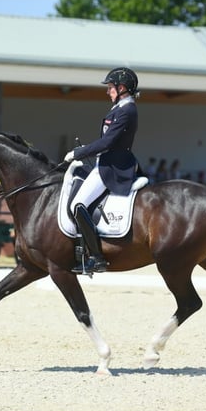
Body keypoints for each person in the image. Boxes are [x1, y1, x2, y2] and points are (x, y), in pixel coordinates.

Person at [63, 67, 141, 274]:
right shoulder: (120, 108)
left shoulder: (127, 110)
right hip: (105, 162)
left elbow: (107, 142)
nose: (108, 92)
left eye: (110, 87)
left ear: (121, 88)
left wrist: (78, 153)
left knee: (78, 205)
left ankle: (96, 258)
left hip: (112, 167)